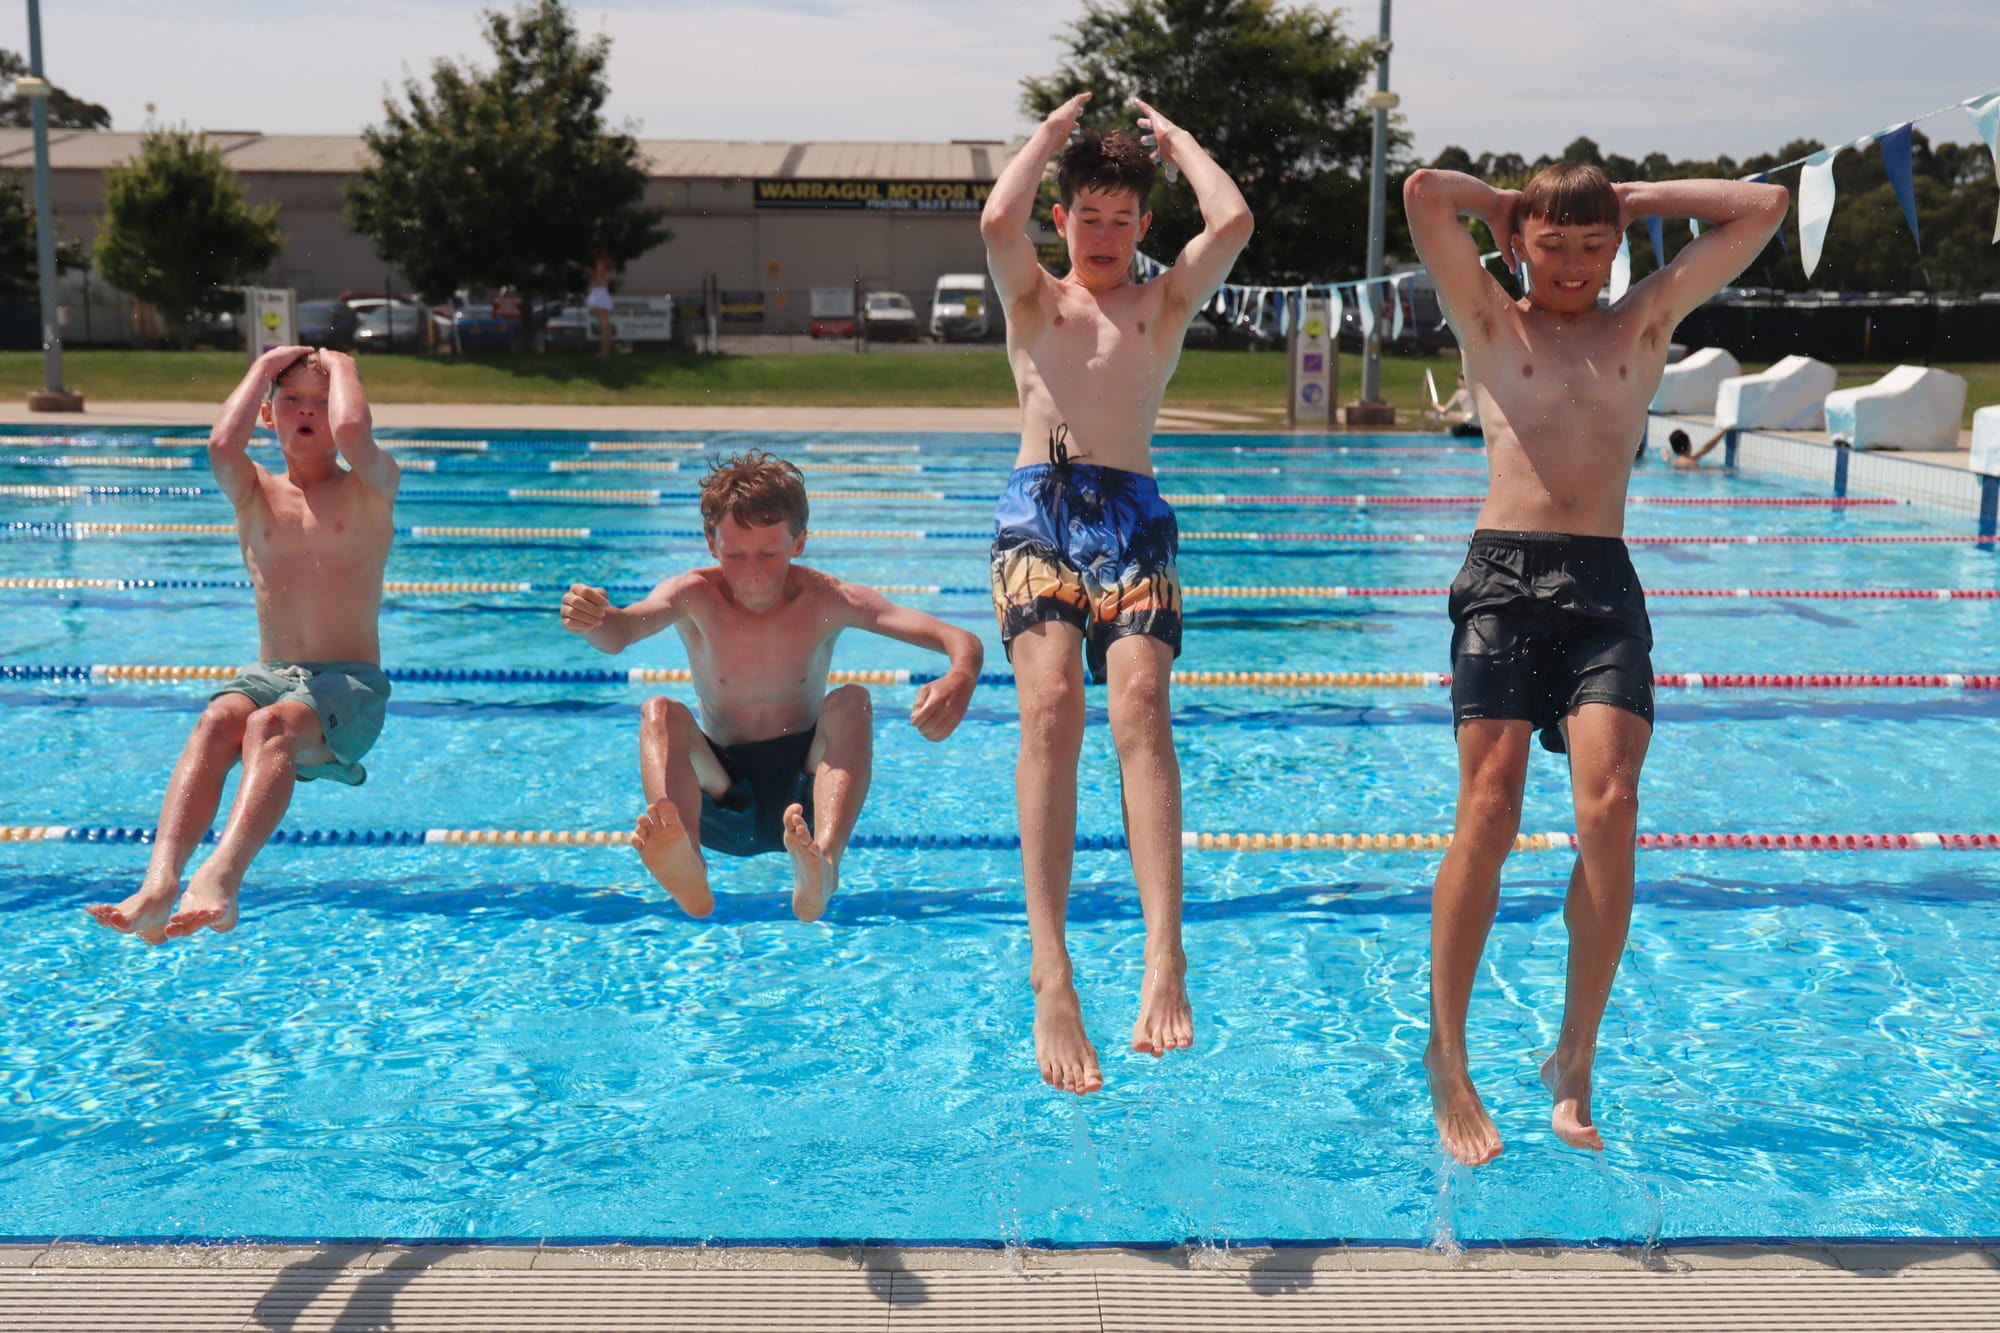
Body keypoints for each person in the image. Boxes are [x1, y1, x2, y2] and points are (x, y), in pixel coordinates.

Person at [1402, 160, 1787, 1164]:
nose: (1572, 265)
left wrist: (1640, 200)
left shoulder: (1643, 321)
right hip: (1501, 578)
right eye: (1551, 245)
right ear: (1518, 248)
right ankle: (1448, 1054)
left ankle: (1573, 1054)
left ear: (1616, 247)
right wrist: (1501, 207)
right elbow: (1421, 192)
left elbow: (1764, 206)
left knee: (1609, 806)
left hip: (1602, 586)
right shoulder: (1488, 319)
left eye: (1591, 245)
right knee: (1488, 809)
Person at [980, 92, 1253, 1094]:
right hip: (1039, 511)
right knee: (1052, 705)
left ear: (1143, 223)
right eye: (1086, 217)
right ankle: (1050, 968)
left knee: (1140, 704)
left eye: (1120, 219)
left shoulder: (1161, 303)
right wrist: (1049, 138)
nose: (1101, 236)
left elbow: (1233, 220)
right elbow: (994, 219)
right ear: (1062, 220)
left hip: (1132, 515)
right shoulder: (1034, 299)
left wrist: (1177, 141)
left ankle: (1163, 953)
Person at [559, 451, 983, 922]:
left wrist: (960, 677)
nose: (752, 573)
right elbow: (620, 631)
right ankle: (686, 861)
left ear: (799, 541)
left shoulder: (828, 599)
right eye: (735, 555)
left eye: (768, 554)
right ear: (711, 542)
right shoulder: (693, 595)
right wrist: (592, 618)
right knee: (659, 710)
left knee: (852, 701)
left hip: (807, 792)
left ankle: (823, 866)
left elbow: (957, 639)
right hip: (720, 792)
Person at [86, 347, 400, 944]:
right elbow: (220, 446)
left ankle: (221, 879)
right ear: (267, 415)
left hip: (350, 685)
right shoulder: (254, 490)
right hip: (270, 673)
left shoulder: (372, 486)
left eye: (321, 402)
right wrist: (262, 368)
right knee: (215, 723)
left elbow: (355, 432)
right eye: (292, 400)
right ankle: (159, 884)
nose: (307, 412)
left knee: (269, 726)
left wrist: (343, 365)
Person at [587, 247, 616, 356]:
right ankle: (606, 350)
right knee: (606, 324)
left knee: (604, 325)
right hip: (603, 292)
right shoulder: (607, 263)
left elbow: (598, 280)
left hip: (598, 293)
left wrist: (591, 273)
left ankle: (604, 351)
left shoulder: (600, 263)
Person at [1439, 373, 1483, 438]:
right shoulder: (1479, 391)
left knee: (1448, 430)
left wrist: (1435, 405)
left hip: (1467, 427)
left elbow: (1444, 411)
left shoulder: (1459, 393)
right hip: (1481, 429)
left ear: (1461, 381)